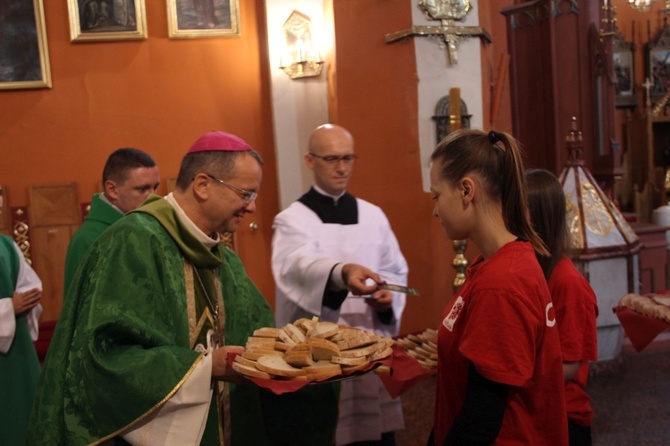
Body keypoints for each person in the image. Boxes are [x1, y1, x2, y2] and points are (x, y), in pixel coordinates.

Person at [28, 131, 276, 445]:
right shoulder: (134, 241)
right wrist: (206, 367)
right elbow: (101, 358)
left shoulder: (224, 261)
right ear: (203, 185)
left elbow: (263, 334)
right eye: (246, 194)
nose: (251, 207)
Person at [428, 129, 568, 445]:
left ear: (466, 190)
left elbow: (482, 421)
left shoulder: (501, 284)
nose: (435, 209)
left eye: (436, 196)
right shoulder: (493, 265)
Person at [271, 123, 408, 445]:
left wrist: (389, 297)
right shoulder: (292, 219)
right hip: (322, 356)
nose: (342, 168)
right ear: (310, 160)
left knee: (376, 437)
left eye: (348, 158)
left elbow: (396, 271)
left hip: (369, 346)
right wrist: (341, 273)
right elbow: (298, 268)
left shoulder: (374, 216)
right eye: (332, 159)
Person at [525, 168, 599, 446]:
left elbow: (569, 365)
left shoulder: (568, 283)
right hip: (536, 411)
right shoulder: (534, 271)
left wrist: (512, 372)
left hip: (565, 418)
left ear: (539, 218)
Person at [63, 147, 159, 293]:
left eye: (155, 187)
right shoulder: (90, 238)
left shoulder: (146, 225)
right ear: (112, 190)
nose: (153, 197)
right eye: (142, 189)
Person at [0, 184, 43, 445]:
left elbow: (30, 284)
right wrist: (8, 308)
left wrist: (29, 297)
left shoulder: (5, 244)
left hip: (18, 353)